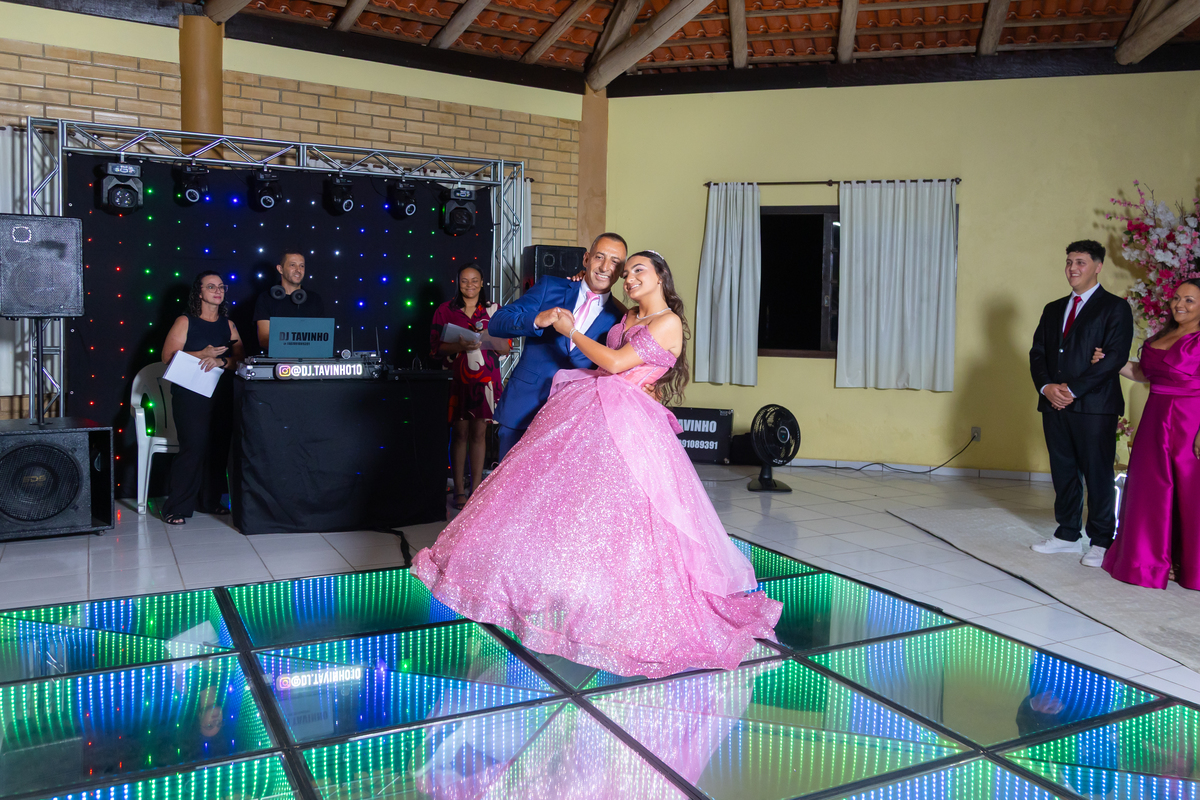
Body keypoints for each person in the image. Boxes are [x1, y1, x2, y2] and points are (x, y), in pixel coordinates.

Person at [413, 251, 782, 679]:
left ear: (660, 276)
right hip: (597, 406)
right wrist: (586, 284)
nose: (630, 277)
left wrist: (571, 330)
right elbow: (617, 336)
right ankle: (562, 593)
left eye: (638, 270)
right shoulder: (629, 316)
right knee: (573, 508)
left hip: (628, 418)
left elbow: (617, 362)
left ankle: (617, 606)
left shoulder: (668, 322)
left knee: (629, 518)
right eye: (627, 273)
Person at [1028, 240, 1133, 567]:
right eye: (1069, 262)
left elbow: (1114, 357)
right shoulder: (1053, 308)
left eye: (1081, 262)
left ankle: (1101, 540)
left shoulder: (1115, 308)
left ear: (1098, 267)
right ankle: (1067, 534)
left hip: (1095, 406)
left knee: (1097, 473)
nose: (1072, 268)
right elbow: (1038, 354)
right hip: (1053, 404)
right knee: (1063, 470)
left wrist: (1072, 390)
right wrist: (1047, 387)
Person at [1093, 278, 1200, 589]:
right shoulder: (1164, 334)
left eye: (1189, 300)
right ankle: (1151, 561)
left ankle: (1188, 563)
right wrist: (1112, 361)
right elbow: (1143, 373)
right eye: (1176, 298)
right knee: (1151, 490)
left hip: (1190, 420)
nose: (1179, 304)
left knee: (1190, 492)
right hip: (1155, 419)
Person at [487, 232, 628, 461]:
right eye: (599, 257)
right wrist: (536, 319)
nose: (604, 267)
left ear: (621, 271)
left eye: (614, 262)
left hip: (574, 422)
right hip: (523, 408)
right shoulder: (550, 286)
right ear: (586, 259)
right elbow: (497, 323)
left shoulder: (620, 318)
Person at [160, 270, 245, 525]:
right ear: (199, 292)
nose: (218, 291)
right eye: (211, 287)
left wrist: (221, 361)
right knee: (193, 447)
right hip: (190, 394)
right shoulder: (185, 321)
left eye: (221, 286)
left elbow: (242, 359)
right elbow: (167, 357)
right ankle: (176, 507)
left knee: (218, 448)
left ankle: (209, 500)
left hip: (222, 393)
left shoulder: (229, 325)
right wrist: (202, 353)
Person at [430, 264, 511, 509]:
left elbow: (505, 349)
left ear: (482, 282)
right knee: (459, 433)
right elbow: (435, 349)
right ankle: (458, 490)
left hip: (485, 381)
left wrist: (486, 336)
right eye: (464, 281)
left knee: (479, 434)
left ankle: (476, 491)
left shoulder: (495, 311)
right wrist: (461, 346)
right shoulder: (445, 310)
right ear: (458, 282)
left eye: (474, 280)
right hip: (457, 381)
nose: (470, 285)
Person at [253, 249, 326, 350]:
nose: (298, 270)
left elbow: (321, 338)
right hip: (278, 359)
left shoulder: (315, 299)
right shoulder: (266, 298)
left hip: (307, 358)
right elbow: (264, 339)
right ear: (280, 269)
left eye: (302, 266)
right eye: (292, 265)